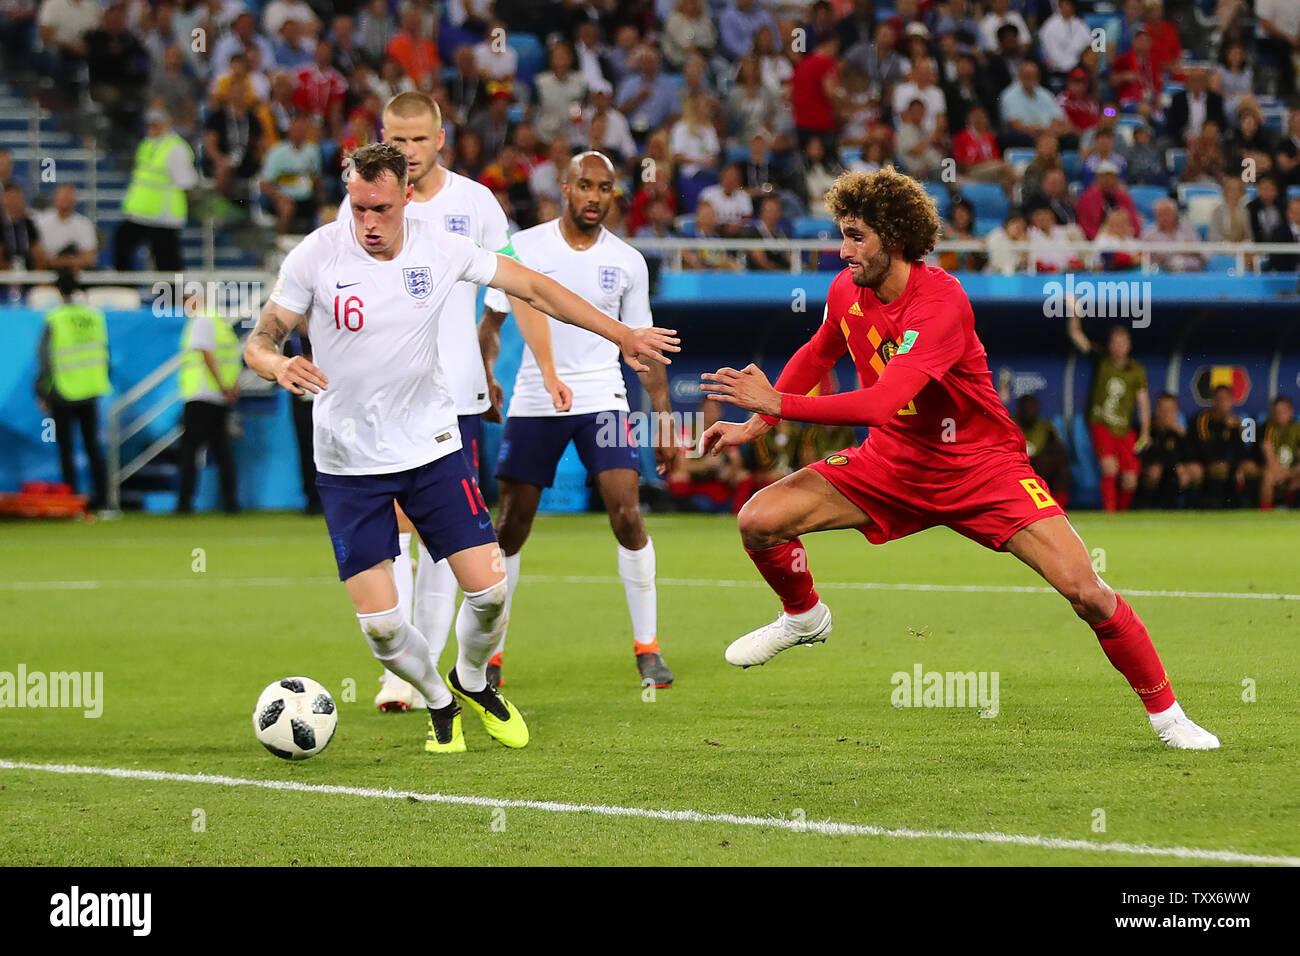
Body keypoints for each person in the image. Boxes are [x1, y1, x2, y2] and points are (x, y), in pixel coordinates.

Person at [697, 167, 1218, 750]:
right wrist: (757, 423)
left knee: (1086, 591)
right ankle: (803, 616)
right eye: (841, 234)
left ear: (893, 237)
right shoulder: (846, 289)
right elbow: (818, 352)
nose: (843, 251)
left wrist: (780, 404)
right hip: (892, 463)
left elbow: (882, 400)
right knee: (758, 521)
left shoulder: (941, 301)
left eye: (855, 236)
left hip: (981, 468)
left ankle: (1169, 718)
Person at [244, 143, 678, 753]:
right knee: (383, 631)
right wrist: (273, 362)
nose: (368, 222)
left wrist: (622, 333)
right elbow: (262, 336)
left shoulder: (440, 247)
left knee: (490, 590)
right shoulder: (316, 253)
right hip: (350, 465)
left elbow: (536, 288)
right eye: (358, 206)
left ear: (407, 198)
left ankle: (471, 678)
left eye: (381, 208)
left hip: (431, 449)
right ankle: (438, 700)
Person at [337, 91, 560, 713]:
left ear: (441, 139)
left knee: (440, 537)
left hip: (453, 393)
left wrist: (521, 364)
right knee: (396, 531)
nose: (406, 152)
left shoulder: (477, 204)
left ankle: (418, 673)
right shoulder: (363, 202)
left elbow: (515, 291)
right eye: (396, 139)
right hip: (383, 396)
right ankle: (406, 669)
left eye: (417, 140)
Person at [486, 151, 679, 690]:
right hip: (532, 400)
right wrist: (486, 374)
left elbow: (644, 349)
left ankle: (647, 647)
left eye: (605, 188)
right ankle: (491, 654)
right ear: (565, 188)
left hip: (604, 399)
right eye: (585, 186)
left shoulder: (629, 261)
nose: (595, 197)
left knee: (626, 514)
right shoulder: (523, 247)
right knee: (511, 528)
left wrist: (663, 423)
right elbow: (492, 321)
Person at [34, 270, 110, 510]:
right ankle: (104, 500)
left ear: (58, 291)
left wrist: (42, 392)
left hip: (64, 390)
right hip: (91, 388)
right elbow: (105, 352)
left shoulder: (55, 318)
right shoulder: (95, 316)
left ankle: (72, 501)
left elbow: (45, 359)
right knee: (93, 447)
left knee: (66, 449)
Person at [1068, 319, 1149, 512]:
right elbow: (1075, 335)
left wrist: (1146, 432)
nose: (1118, 346)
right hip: (1100, 424)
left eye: (1122, 342)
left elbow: (1143, 402)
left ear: (1129, 345)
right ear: (1110, 344)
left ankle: (1121, 515)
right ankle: (1110, 513)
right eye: (1115, 342)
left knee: (1130, 478)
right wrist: (1075, 312)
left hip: (1125, 428)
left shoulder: (1137, 370)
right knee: (1109, 467)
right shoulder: (1101, 359)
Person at [176, 292, 242, 515]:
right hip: (220, 396)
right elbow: (234, 359)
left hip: (201, 392)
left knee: (190, 450)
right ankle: (231, 502)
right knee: (222, 450)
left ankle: (185, 503)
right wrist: (232, 388)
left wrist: (222, 385)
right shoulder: (222, 325)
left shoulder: (202, 320)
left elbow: (206, 354)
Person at [114, 106, 196, 272]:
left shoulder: (176, 148)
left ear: (166, 124)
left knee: (166, 259)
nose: (151, 128)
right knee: (123, 242)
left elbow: (186, 183)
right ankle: (126, 287)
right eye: (149, 124)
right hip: (141, 212)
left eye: (155, 124)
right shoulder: (147, 144)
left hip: (164, 214)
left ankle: (172, 295)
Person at [1188, 385, 1254, 509]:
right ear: (1214, 401)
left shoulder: (1235, 422)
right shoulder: (1203, 419)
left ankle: (1246, 506)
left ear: (1231, 401)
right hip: (1202, 462)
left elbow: (1242, 452)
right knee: (1219, 469)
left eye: (1225, 399)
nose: (1222, 403)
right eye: (1219, 399)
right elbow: (1205, 449)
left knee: (1248, 467)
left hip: (1227, 463)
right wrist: (1222, 427)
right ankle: (1210, 505)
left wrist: (1236, 465)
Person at [1015, 393, 1069, 510]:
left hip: (1039, 466)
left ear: (1038, 408)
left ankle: (1058, 508)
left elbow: (1058, 450)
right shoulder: (1010, 424)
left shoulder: (1045, 426)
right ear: (1020, 408)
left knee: (1062, 467)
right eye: (1026, 407)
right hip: (1015, 468)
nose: (1029, 410)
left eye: (1032, 406)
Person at [1139, 392, 1192, 509]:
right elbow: (1137, 451)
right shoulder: (1146, 429)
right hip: (1153, 472)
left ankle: (1191, 507)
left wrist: (1182, 436)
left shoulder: (1180, 432)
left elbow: (1190, 455)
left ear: (1176, 411)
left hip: (1174, 474)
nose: (1166, 414)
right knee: (1154, 470)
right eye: (1163, 409)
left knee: (1193, 470)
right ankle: (1146, 507)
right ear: (1156, 410)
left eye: (1170, 410)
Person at [35, 184, 97, 271]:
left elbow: (90, 258)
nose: (65, 201)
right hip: (47, 273)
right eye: (62, 197)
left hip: (77, 274)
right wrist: (73, 260)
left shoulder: (84, 224)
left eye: (68, 197)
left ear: (74, 201)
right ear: (55, 199)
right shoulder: (41, 223)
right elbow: (39, 256)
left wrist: (58, 261)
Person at [1260, 396, 1300, 511]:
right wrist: (1281, 474)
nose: (1280, 414)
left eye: (1284, 411)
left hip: (1290, 471)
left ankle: (1291, 503)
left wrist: (1292, 472)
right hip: (1273, 470)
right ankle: (1265, 512)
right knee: (1268, 476)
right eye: (1277, 411)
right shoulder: (1267, 427)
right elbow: (1269, 456)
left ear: (1291, 412)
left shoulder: (1296, 428)